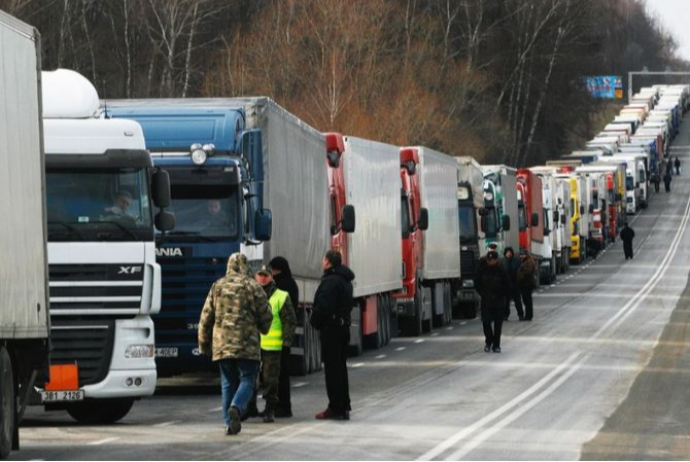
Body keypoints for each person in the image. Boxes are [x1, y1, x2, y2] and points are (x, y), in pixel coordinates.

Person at [198, 253, 273, 436]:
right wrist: (263, 329)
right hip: (247, 345)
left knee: (227, 383)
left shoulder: (217, 286)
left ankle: (229, 423)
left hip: (222, 345)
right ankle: (236, 407)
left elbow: (206, 318)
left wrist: (204, 344)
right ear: (246, 267)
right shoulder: (253, 287)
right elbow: (266, 316)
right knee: (248, 378)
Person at [310, 250, 355, 421]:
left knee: (332, 370)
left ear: (328, 262)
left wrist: (314, 321)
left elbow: (324, 306)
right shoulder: (345, 280)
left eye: (323, 259)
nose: (322, 261)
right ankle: (344, 405)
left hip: (332, 330)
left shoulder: (330, 282)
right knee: (341, 368)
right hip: (343, 328)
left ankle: (336, 407)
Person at [254, 265, 297, 424]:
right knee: (250, 378)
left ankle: (270, 409)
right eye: (260, 275)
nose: (263, 278)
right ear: (255, 277)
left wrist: (286, 342)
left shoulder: (281, 296)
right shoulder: (250, 294)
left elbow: (290, 320)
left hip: (273, 346)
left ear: (271, 277)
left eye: (266, 275)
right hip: (252, 345)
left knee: (270, 380)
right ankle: (249, 407)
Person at [270, 256, 300, 418]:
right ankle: (283, 405)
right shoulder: (292, 284)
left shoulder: (279, 286)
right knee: (282, 373)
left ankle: (282, 406)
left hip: (276, 336)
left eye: (272, 269)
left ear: (278, 269)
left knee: (278, 374)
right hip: (284, 336)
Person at [476, 250, 510, 353]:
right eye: (489, 259)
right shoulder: (482, 270)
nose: (490, 261)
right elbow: (477, 284)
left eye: (492, 259)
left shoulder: (501, 271)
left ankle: (496, 345)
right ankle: (488, 341)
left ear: (496, 260)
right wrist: (483, 294)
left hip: (498, 302)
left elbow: (507, 285)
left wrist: (499, 294)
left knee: (498, 325)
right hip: (486, 301)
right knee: (486, 322)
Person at [502, 247, 524, 321]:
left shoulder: (516, 261)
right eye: (507, 252)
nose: (509, 254)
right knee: (506, 302)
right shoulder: (503, 261)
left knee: (517, 301)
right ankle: (505, 315)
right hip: (506, 285)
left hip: (515, 284)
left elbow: (519, 270)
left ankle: (520, 314)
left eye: (510, 252)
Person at [517, 250, 538, 322]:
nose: (522, 256)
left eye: (523, 255)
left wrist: (520, 276)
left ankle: (528, 315)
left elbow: (528, 272)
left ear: (526, 255)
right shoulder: (525, 261)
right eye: (521, 255)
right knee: (526, 300)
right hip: (525, 284)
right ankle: (528, 315)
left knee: (527, 300)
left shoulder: (529, 261)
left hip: (527, 284)